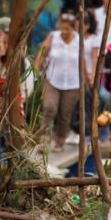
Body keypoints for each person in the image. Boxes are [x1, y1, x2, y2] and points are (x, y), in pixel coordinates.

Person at [35, 12, 81, 152]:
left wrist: (86, 79)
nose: (65, 31)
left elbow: (83, 61)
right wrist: (36, 70)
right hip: (52, 79)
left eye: (68, 29)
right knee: (50, 107)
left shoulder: (79, 40)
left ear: (74, 28)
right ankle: (44, 139)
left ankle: (60, 140)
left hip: (73, 83)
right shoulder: (53, 37)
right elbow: (42, 53)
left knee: (65, 113)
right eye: (63, 28)